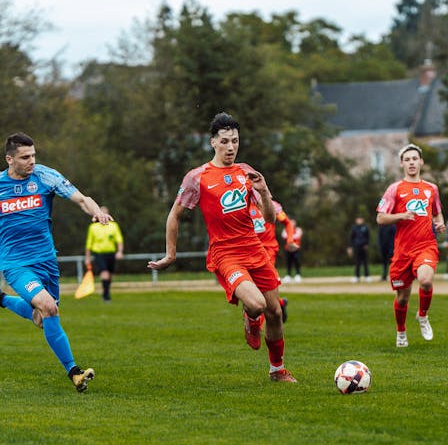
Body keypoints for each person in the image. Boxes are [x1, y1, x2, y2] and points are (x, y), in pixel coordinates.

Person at [0, 132, 107, 392]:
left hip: (47, 260)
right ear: (9, 159)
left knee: (40, 318)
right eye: (25, 157)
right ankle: (75, 373)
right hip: (15, 263)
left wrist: (97, 212)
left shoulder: (46, 177)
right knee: (49, 307)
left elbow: (81, 199)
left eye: (34, 155)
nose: (32, 161)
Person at [148, 112, 295, 383]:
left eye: (235, 141)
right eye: (225, 141)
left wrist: (262, 191)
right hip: (226, 254)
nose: (231, 147)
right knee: (257, 304)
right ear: (212, 142)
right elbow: (175, 215)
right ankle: (251, 319)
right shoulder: (197, 177)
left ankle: (277, 371)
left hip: (254, 248)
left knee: (274, 312)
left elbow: (269, 218)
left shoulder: (246, 171)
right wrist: (171, 253)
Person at [376, 143, 446, 347]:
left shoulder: (431, 188)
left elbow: (437, 211)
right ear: (402, 164)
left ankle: (422, 315)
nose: (411, 162)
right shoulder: (394, 189)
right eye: (407, 160)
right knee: (403, 298)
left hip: (426, 245)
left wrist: (439, 222)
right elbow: (380, 218)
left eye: (415, 158)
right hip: (402, 251)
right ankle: (401, 331)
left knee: (425, 281)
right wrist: (401, 216)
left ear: (421, 162)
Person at [250, 198, 294, 321]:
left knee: (262, 287)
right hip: (250, 250)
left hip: (268, 250)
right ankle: (280, 303)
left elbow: (288, 223)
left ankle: (261, 324)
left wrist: (290, 240)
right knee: (253, 287)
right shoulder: (241, 205)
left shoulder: (272, 206)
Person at [84, 207, 124, 302]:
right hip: (99, 253)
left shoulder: (113, 226)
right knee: (104, 273)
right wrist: (87, 258)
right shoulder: (93, 227)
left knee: (109, 274)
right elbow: (89, 244)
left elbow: (119, 240)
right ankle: (106, 296)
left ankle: (106, 291)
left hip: (111, 253)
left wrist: (120, 251)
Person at [347, 216, 370, 282]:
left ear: (363, 220)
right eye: (358, 219)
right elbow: (351, 238)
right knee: (357, 262)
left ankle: (367, 276)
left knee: (365, 262)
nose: (359, 221)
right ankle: (357, 276)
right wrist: (350, 247)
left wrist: (366, 244)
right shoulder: (354, 228)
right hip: (356, 247)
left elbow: (368, 237)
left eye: (360, 219)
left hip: (363, 247)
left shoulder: (365, 227)